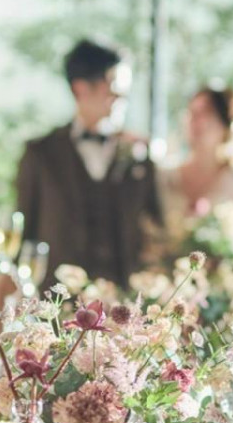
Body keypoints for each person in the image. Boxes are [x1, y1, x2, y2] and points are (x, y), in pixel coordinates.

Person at [16, 38, 162, 289]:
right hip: (57, 300)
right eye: (113, 89)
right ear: (80, 88)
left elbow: (155, 228)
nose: (122, 97)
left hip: (125, 300)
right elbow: (25, 232)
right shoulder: (40, 154)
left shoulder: (139, 154)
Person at [161, 85, 233, 262]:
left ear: (226, 123)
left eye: (205, 113)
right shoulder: (165, 177)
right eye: (191, 113)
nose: (195, 121)